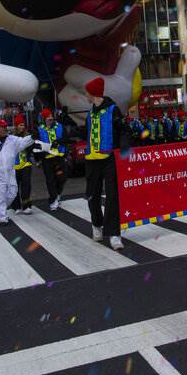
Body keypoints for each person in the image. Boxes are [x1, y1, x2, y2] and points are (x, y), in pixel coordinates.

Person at [83, 76, 129, 251]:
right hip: (91, 161)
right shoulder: (91, 111)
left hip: (109, 159)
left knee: (112, 197)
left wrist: (123, 145)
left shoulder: (112, 110)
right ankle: (97, 224)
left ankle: (114, 234)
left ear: (93, 93)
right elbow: (87, 133)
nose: (85, 95)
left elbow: (124, 129)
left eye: (86, 92)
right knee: (91, 195)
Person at [35, 107, 70, 211]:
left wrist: (58, 142)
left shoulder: (60, 127)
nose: (50, 119)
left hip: (59, 157)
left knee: (62, 178)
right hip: (47, 159)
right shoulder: (39, 129)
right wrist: (38, 159)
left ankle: (58, 194)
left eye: (51, 117)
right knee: (50, 181)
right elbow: (36, 144)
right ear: (44, 119)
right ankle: (53, 200)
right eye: (48, 118)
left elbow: (66, 139)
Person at [9, 114, 36, 215]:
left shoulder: (28, 136)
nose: (22, 127)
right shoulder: (11, 138)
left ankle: (26, 206)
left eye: (23, 125)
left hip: (26, 164)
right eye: (20, 125)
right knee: (15, 187)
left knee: (26, 185)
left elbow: (32, 149)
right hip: (14, 166)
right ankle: (16, 207)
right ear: (16, 126)